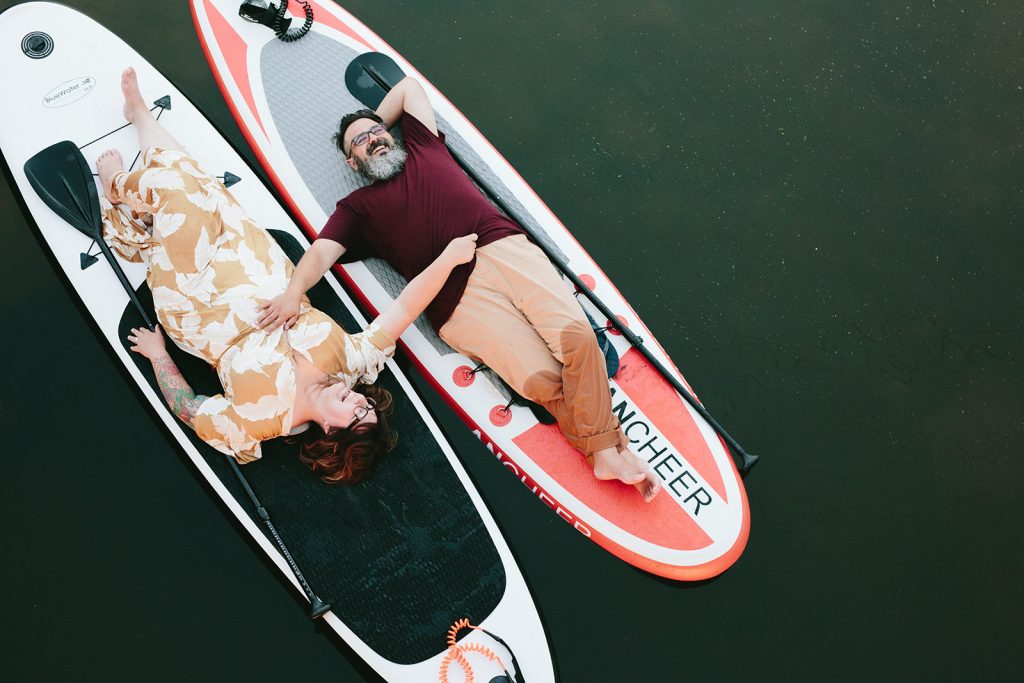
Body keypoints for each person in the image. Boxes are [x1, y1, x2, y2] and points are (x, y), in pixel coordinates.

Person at [258, 77, 660, 501]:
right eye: (360, 143)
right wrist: (292, 294)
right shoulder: (356, 210)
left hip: (502, 249)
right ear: (352, 164)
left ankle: (602, 451)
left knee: (579, 340)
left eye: (377, 132)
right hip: (456, 302)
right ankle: (607, 450)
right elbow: (320, 254)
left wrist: (374, 121)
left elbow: (410, 88)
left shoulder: (423, 145)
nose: (374, 139)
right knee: (543, 384)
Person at [97, 68, 477, 483]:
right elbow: (405, 306)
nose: (358, 402)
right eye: (365, 407)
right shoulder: (352, 364)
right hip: (255, 265)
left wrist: (159, 356)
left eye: (355, 417)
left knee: (182, 193)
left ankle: (118, 185)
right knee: (204, 188)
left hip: (197, 303)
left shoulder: (256, 424)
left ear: (332, 432)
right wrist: (449, 257)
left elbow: (190, 409)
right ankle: (142, 120)